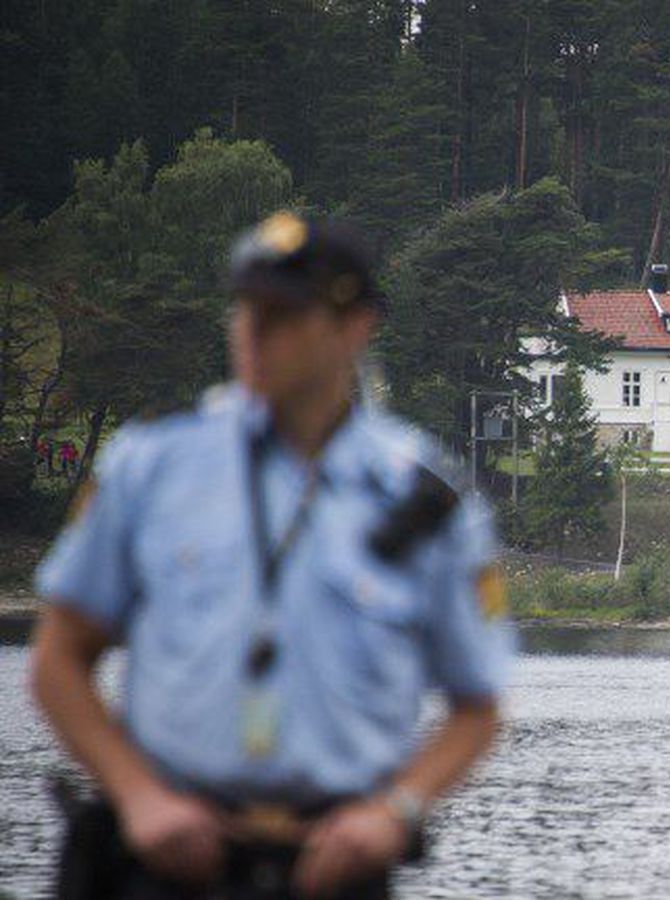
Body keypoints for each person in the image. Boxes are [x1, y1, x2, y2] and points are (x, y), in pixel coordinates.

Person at [29, 212, 512, 899]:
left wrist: (395, 812)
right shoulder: (152, 467)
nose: (253, 332)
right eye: (246, 309)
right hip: (165, 860)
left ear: (355, 327)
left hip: (333, 868)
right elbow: (57, 659)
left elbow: (477, 707)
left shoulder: (426, 500)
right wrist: (138, 797)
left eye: (284, 315)